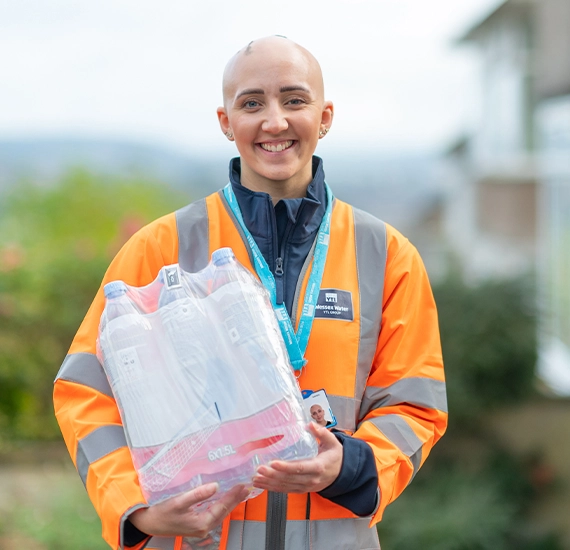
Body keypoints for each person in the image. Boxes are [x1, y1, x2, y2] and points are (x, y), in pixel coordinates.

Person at [53, 35, 447, 550]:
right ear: (226, 122)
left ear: (325, 117)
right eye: (252, 103)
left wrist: (350, 464)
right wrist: (138, 509)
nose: (275, 121)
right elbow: (86, 392)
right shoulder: (160, 248)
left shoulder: (386, 254)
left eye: (295, 100)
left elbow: (416, 404)